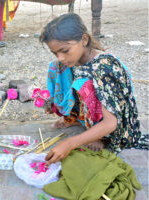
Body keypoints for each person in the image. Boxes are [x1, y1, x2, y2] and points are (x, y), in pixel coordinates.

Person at [38, 13, 148, 166]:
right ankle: (77, 118)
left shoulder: (104, 68)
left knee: (86, 83)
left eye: (64, 50)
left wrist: (71, 143)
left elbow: (111, 122)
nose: (60, 57)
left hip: (114, 122)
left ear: (84, 39)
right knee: (57, 68)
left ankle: (100, 136)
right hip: (92, 110)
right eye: (55, 52)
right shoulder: (71, 62)